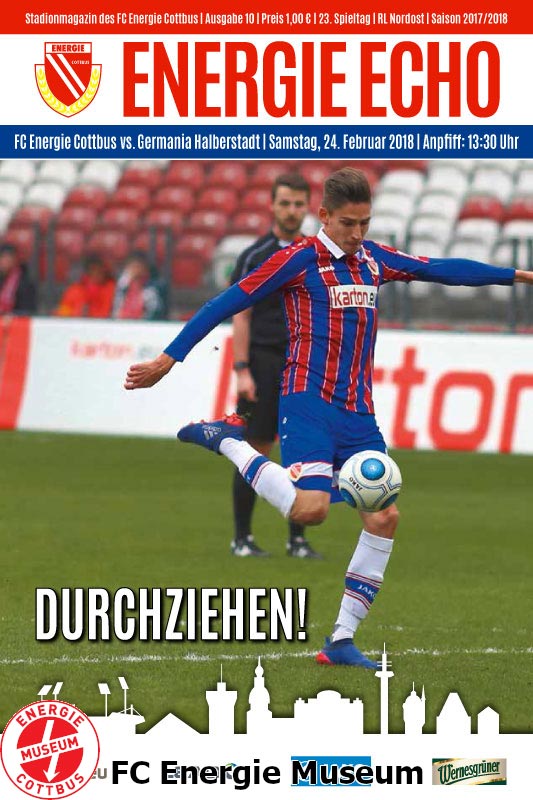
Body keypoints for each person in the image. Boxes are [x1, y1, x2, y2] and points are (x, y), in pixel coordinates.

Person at [124, 167, 533, 669]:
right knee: (310, 510)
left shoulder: (375, 259)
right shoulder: (298, 260)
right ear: (323, 216)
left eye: (365, 223)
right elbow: (225, 303)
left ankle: (340, 640)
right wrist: (169, 358)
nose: (358, 234)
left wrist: (515, 275)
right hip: (308, 404)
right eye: (348, 223)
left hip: (358, 412)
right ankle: (227, 438)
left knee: (384, 516)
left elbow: (441, 268)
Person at [230, 172, 321, 559]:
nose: (291, 211)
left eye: (298, 204)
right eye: (285, 203)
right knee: (255, 450)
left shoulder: (315, 253)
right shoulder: (255, 256)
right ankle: (242, 538)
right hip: (264, 362)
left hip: (302, 365)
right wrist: (242, 369)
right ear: (272, 205)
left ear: (308, 207)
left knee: (303, 454)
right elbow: (241, 315)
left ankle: (297, 539)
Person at [112, 251, 167, 320]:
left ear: (145, 269)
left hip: (144, 323)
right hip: (122, 322)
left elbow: (154, 311)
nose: (135, 270)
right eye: (132, 267)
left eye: (138, 267)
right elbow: (116, 308)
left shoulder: (154, 287)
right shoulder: (123, 284)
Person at [0, 243, 37, 315]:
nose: (5, 261)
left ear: (15, 260)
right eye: (2, 258)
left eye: (8, 258)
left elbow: (27, 310)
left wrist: (11, 315)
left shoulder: (25, 283)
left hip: (15, 320)